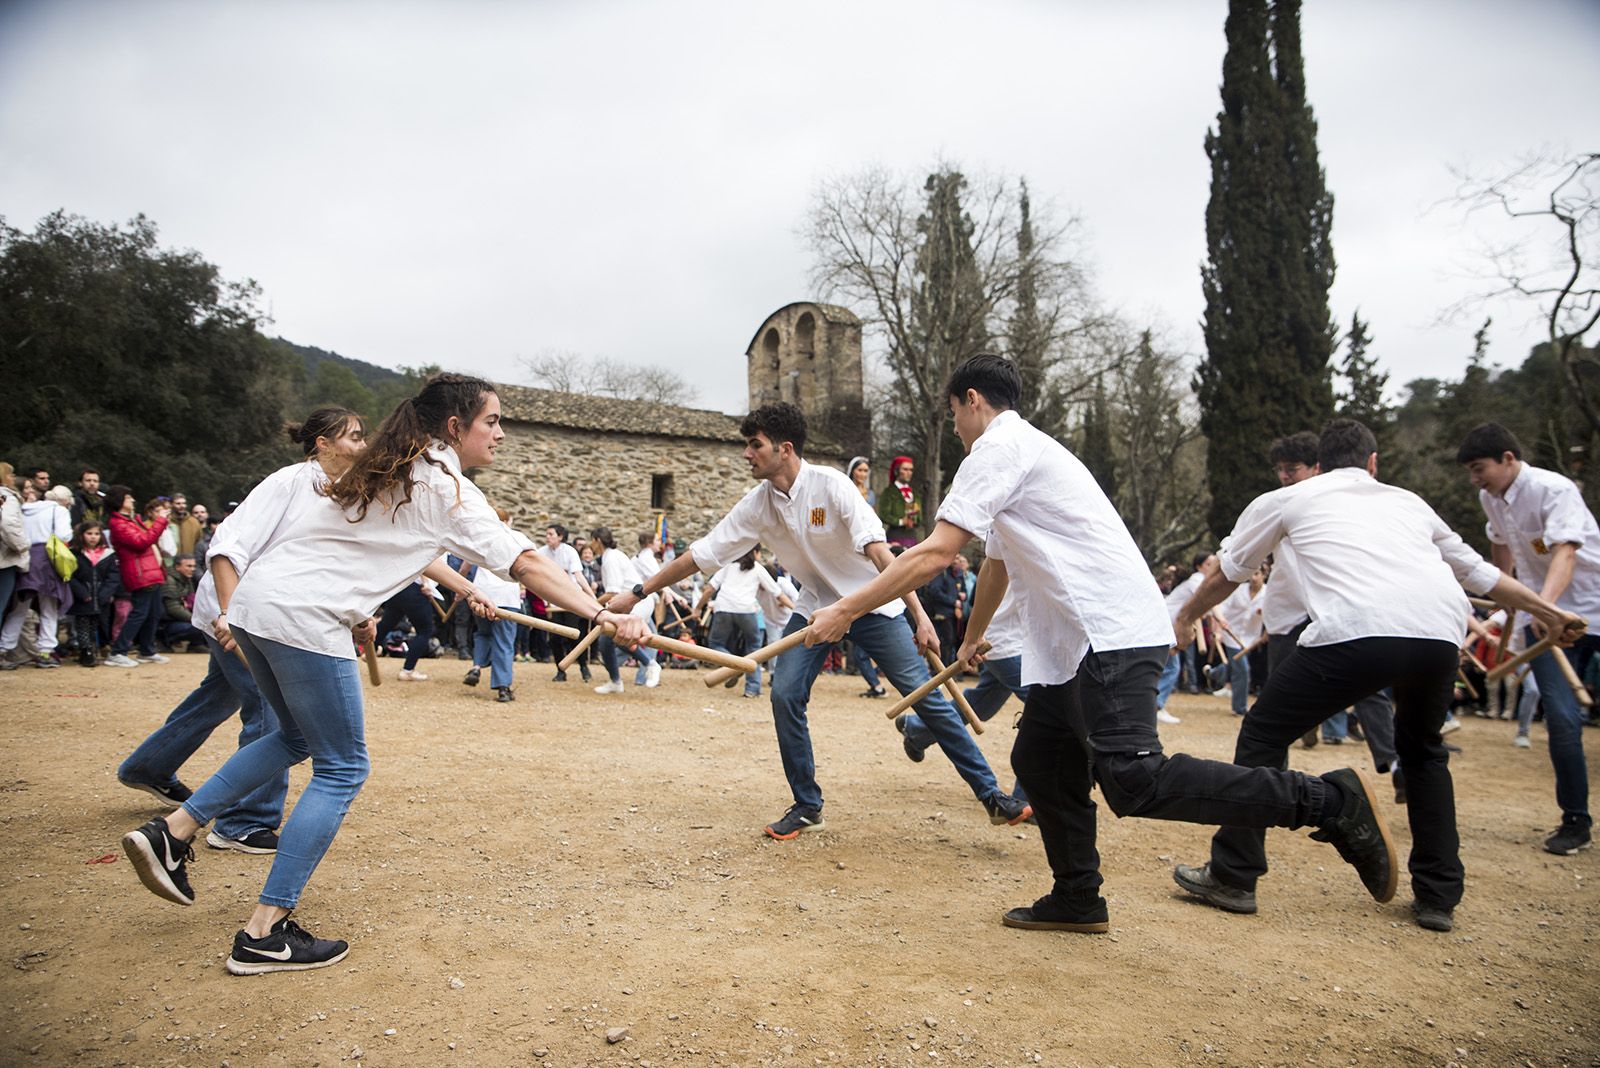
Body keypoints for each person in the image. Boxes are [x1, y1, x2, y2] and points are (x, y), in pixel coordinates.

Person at [805, 356, 1450, 936]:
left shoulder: (1001, 447)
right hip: (1071, 649)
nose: (956, 429)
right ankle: (1078, 897)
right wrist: (973, 639)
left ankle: (1330, 801)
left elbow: (940, 551)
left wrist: (845, 608)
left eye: (954, 414)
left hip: (1110, 634)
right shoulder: (1018, 459)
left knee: (1134, 780)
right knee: (1040, 760)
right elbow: (995, 564)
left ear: (972, 400)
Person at [119, 373, 646, 974]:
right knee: (343, 767)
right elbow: (524, 562)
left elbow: (384, 550)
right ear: (456, 427)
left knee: (292, 738)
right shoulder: (444, 486)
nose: (501, 433)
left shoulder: (384, 466)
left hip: (257, 610)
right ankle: (265, 931)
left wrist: (402, 600)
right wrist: (602, 614)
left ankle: (175, 830)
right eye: (492, 421)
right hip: (302, 621)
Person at [1169, 418, 1582, 932]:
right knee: (1424, 752)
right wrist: (1550, 611)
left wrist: (1185, 618)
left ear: (1322, 462)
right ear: (1372, 463)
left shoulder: (1287, 499)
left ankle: (1234, 874)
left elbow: (1228, 573)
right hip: (1437, 637)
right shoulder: (1408, 501)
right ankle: (1437, 896)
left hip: (1356, 631)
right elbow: (1480, 575)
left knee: (1262, 733)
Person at [609, 402, 1029, 838]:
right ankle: (807, 805)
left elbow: (883, 556)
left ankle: (991, 795)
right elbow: (700, 556)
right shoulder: (757, 506)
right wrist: (639, 592)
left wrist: (918, 616)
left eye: (755, 445)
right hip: (815, 609)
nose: (746, 454)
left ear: (784, 448)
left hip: (874, 604)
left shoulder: (833, 487)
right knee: (785, 694)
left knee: (928, 700)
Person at [117, 408, 368, 849]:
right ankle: (242, 822)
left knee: (217, 696)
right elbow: (226, 548)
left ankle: (148, 768)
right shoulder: (288, 482)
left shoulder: (337, 493)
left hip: (255, 613)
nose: (363, 446)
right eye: (354, 437)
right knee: (272, 713)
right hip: (238, 611)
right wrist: (232, 616)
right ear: (322, 444)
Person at [1459, 422, 1598, 855]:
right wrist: (1512, 596)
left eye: (1480, 468)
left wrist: (1547, 607)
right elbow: (1502, 548)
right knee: (1560, 718)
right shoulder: (1490, 498)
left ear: (1508, 459)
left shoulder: (1554, 489)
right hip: (1544, 621)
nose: (1475, 479)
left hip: (1589, 609)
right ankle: (1575, 820)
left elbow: (1566, 551)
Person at [895, 576, 1030, 807]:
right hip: (1006, 644)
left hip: (1013, 643)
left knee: (980, 705)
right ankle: (1029, 798)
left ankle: (918, 730)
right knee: (1052, 711)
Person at [0, 480, 75, 668]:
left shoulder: (24, 509)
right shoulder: (60, 511)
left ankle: (3, 648)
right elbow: (64, 535)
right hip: (48, 560)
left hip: (25, 558)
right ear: (65, 501)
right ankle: (45, 651)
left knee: (20, 608)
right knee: (49, 608)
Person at [697, 546, 789, 698]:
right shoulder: (758, 569)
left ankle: (735, 665)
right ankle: (751, 688)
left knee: (715, 644)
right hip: (746, 610)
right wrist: (793, 608)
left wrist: (697, 609)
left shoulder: (727, 566)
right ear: (755, 553)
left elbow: (710, 589)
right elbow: (777, 593)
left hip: (723, 608)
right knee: (754, 650)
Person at [105, 490, 172, 668]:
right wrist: (161, 521)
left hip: (151, 572)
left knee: (154, 613)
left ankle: (147, 650)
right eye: (127, 497)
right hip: (140, 573)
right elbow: (142, 541)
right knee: (140, 613)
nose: (132, 500)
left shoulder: (131, 520)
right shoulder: (118, 523)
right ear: (119, 501)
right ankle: (118, 651)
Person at [464, 507, 524, 702]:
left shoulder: (481, 538)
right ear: (508, 521)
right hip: (507, 596)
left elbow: (465, 566)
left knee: (483, 633)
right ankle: (503, 687)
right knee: (504, 641)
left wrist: (460, 589)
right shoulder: (516, 538)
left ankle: (476, 667)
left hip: (483, 594)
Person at [590, 526, 658, 693]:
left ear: (598, 541)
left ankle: (650, 664)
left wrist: (591, 605)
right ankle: (615, 681)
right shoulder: (610, 556)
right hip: (630, 603)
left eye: (592, 540)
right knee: (606, 642)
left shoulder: (611, 558)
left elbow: (613, 591)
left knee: (618, 637)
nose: (590, 545)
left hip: (637, 603)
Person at [1155, 553, 1219, 725]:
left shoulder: (1195, 581)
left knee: (1168, 667)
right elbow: (1210, 601)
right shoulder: (1197, 580)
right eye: (1208, 564)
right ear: (1198, 566)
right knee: (1171, 668)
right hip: (1166, 626)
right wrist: (1220, 619)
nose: (1212, 567)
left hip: (1167, 626)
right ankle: (1156, 706)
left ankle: (1155, 705)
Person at [1205, 567, 1265, 716]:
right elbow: (1219, 607)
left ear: (1264, 575)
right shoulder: (1238, 590)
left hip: (1251, 638)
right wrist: (1219, 626)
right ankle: (1240, 707)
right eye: (1252, 573)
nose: (1253, 577)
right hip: (1232, 635)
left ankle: (1214, 673)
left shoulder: (1269, 593)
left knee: (1237, 667)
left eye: (1257, 574)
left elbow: (1276, 612)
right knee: (1242, 670)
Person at [539, 524, 593, 683]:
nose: (547, 537)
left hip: (571, 599)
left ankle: (583, 665)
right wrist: (545, 602)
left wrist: (591, 597)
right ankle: (560, 670)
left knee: (574, 635)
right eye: (546, 534)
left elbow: (578, 576)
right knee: (555, 637)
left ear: (560, 536)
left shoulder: (569, 552)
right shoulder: (541, 553)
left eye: (551, 534)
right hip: (553, 599)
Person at [67, 521, 119, 666]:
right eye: (89, 534)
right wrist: (82, 593)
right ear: (81, 535)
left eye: (96, 534)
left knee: (97, 624)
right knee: (82, 624)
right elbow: (70, 576)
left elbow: (113, 577)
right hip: (83, 597)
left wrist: (105, 594)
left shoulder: (108, 555)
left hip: (101, 598)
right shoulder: (74, 553)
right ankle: (86, 651)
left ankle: (94, 649)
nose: (93, 537)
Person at [0, 462, 29, 639]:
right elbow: (7, 524)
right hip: (4, 559)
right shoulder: (6, 497)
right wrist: (22, 545)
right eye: (11, 474)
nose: (13, 478)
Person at [877, 455, 922, 547]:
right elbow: (883, 514)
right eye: (905, 469)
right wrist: (901, 521)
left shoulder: (914, 493)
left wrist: (914, 520)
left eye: (911, 470)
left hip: (911, 536)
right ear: (897, 471)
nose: (909, 473)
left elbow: (919, 515)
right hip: (895, 536)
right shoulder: (889, 492)